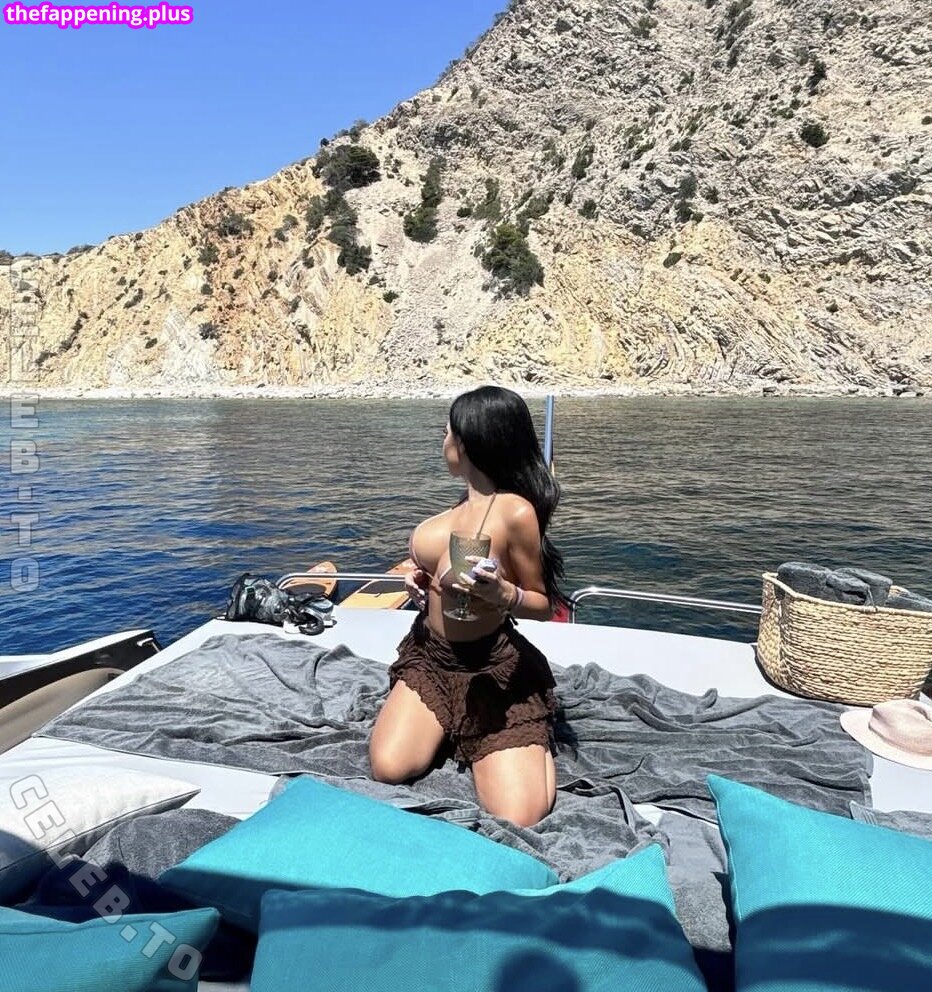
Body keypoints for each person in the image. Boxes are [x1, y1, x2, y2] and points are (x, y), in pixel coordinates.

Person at [368, 385, 569, 827]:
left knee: (520, 815)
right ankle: (452, 725)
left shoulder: (515, 512)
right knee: (388, 768)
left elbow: (543, 602)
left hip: (489, 669)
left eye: (447, 433)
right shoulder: (464, 504)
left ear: (470, 442)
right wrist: (417, 576)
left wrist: (505, 596)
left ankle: (529, 729)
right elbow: (435, 564)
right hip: (431, 657)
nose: (443, 441)